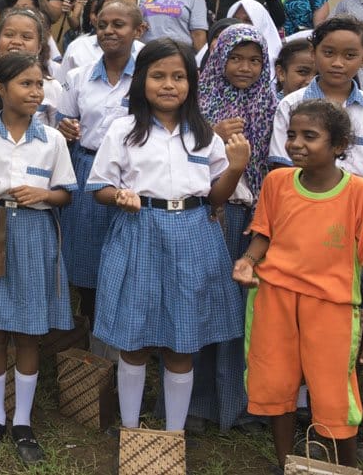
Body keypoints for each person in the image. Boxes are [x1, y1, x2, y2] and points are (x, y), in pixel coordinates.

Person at [88, 38, 249, 441]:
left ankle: (173, 434)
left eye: (178, 76)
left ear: (191, 83)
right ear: (141, 79)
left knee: (183, 338)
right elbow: (99, 187)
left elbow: (215, 196)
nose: (168, 85)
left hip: (194, 232)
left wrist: (235, 168)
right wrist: (119, 196)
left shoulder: (203, 134)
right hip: (140, 229)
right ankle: (130, 430)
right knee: (134, 336)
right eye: (158, 75)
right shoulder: (124, 130)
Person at [236, 99, 363, 469]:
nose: (296, 143)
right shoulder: (277, 182)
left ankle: (343, 467)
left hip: (332, 307)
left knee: (334, 394)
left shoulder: (360, 193)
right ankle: (287, 462)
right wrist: (247, 261)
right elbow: (264, 234)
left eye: (310, 136)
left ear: (338, 146)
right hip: (274, 299)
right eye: (291, 135)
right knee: (274, 383)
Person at [0, 52, 76, 464]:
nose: (36, 92)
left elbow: (65, 194)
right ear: (1, 89)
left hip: (35, 236)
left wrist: (43, 194)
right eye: (26, 83)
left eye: (39, 84)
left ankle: (22, 420)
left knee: (27, 331)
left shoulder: (53, 140)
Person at [190, 24, 278, 432]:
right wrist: (211, 133)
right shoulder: (198, 104)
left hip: (254, 218)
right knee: (203, 302)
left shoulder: (273, 105)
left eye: (254, 60)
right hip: (210, 214)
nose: (245, 68)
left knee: (243, 313)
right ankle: (196, 403)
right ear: (218, 58)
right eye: (236, 58)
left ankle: (239, 406)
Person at [56, 0, 144, 354]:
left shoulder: (147, 76)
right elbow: (63, 123)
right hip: (87, 169)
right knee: (87, 260)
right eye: (103, 24)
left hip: (132, 177)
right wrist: (65, 127)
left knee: (128, 261)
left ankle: (129, 350)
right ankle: (96, 352)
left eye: (119, 24)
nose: (109, 30)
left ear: (139, 30)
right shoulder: (79, 77)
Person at [269, 15, 363, 216]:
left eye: (350, 56)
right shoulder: (290, 105)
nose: (338, 63)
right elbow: (284, 168)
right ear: (313, 53)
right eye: (329, 53)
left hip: (359, 214)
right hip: (304, 211)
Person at [0, 9, 63, 129]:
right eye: (9, 35)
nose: (16, 42)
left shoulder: (51, 86)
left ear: (39, 47)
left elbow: (58, 131)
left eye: (26, 37)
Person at [59, 0, 145, 77]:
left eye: (126, 1)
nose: (118, 5)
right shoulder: (78, 48)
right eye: (113, 0)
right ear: (99, 7)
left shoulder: (144, 53)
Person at [225, 0, 284, 80]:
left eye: (248, 21)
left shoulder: (278, 60)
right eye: (235, 20)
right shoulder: (216, 50)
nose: (241, 25)